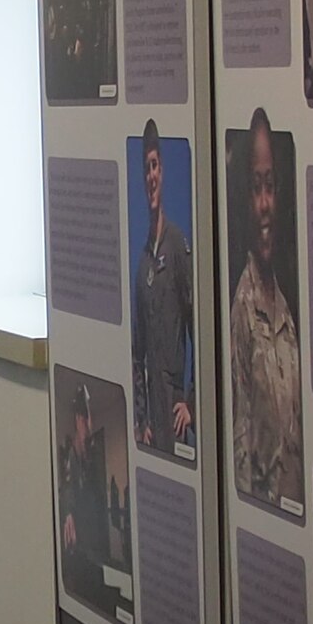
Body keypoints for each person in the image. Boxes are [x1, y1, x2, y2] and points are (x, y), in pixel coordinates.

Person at [230, 108, 304, 511]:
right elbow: (241, 463)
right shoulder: (241, 313)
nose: (264, 204)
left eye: (271, 186)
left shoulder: (286, 307)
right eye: (255, 187)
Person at [131, 118, 195, 460]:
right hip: (153, 418)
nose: (150, 176)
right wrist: (141, 419)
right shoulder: (143, 263)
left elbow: (197, 327)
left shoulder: (178, 245)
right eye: (145, 169)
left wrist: (192, 402)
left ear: (163, 171)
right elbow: (135, 350)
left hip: (174, 412)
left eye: (154, 166)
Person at [58, 382, 114, 616]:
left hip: (97, 547)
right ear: (80, 420)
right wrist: (69, 512)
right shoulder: (74, 454)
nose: (90, 424)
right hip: (85, 550)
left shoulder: (91, 453)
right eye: (86, 418)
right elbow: (69, 487)